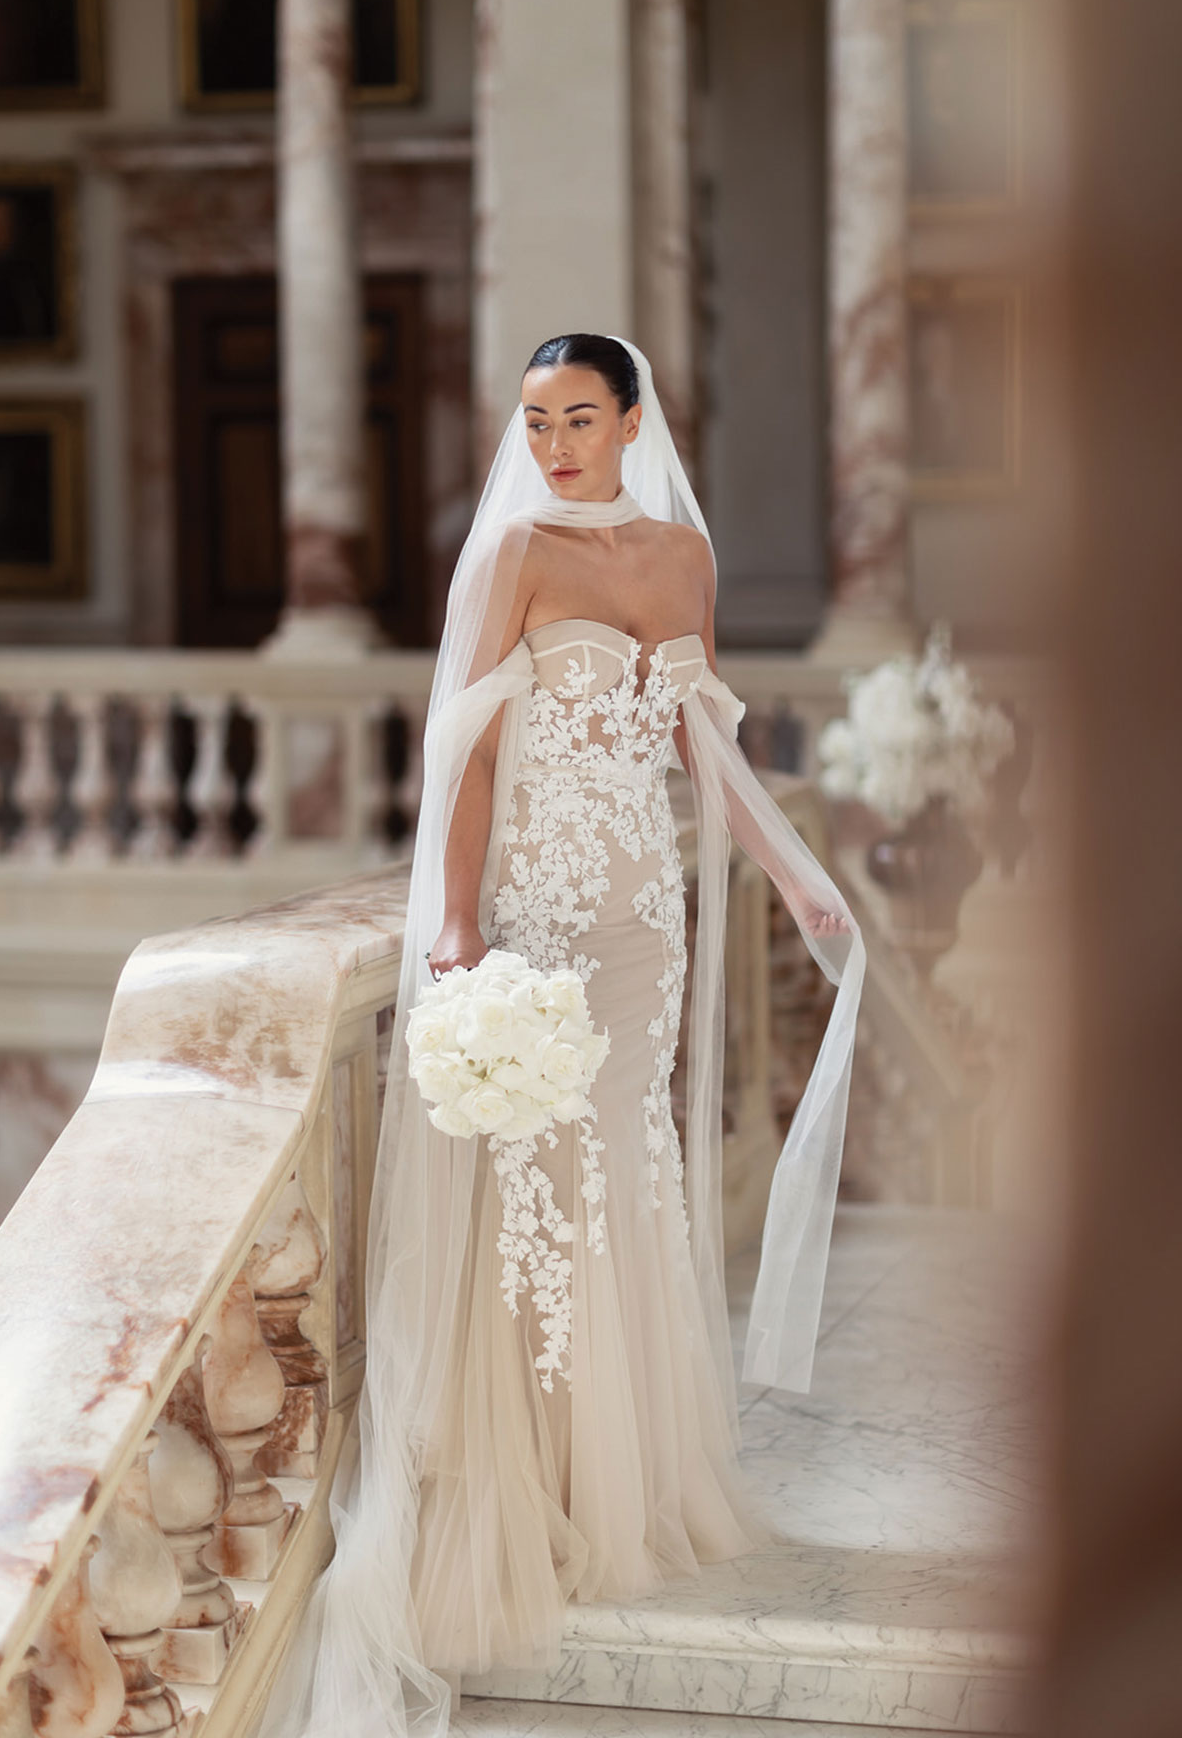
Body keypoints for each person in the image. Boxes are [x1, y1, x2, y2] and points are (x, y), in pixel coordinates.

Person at [261, 334, 866, 1738]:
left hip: (645, 920)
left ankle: (618, 1485)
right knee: (537, 1191)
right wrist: (456, 922)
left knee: (626, 1182)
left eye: (579, 419)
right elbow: (468, 751)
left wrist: (793, 878)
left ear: (633, 420)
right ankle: (523, 1488)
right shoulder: (514, 553)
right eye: (535, 423)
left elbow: (704, 741)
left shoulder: (681, 559)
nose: (554, 447)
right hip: (537, 913)